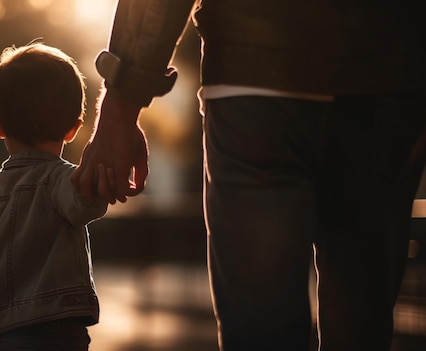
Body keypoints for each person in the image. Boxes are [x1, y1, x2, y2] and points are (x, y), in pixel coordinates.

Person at [71, 1, 426, 350]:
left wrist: (121, 105)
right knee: (362, 326)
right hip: (385, 79)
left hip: (255, 76)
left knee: (262, 326)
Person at [0, 42, 108, 351]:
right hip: (61, 327)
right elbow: (85, 204)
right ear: (73, 129)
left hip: (6, 331)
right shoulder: (62, 180)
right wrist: (100, 171)